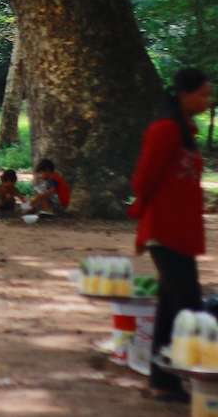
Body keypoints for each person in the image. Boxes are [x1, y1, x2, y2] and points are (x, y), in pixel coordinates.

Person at [128, 68, 213, 403]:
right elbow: (143, 181)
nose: (208, 101)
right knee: (187, 306)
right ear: (184, 94)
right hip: (164, 232)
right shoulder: (164, 131)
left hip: (182, 233)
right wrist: (143, 220)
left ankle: (162, 381)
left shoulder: (186, 131)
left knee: (170, 306)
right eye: (203, 94)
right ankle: (177, 376)